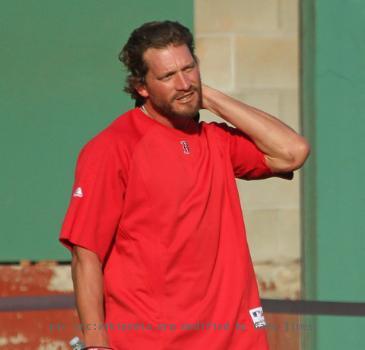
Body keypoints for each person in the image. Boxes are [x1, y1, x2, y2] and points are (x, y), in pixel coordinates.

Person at [59, 20, 310, 350]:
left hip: (236, 339)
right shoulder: (113, 148)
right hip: (153, 341)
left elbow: (292, 152)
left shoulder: (216, 139)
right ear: (141, 87)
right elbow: (86, 255)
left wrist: (212, 98)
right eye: (167, 76)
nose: (184, 83)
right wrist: (95, 342)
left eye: (188, 69)